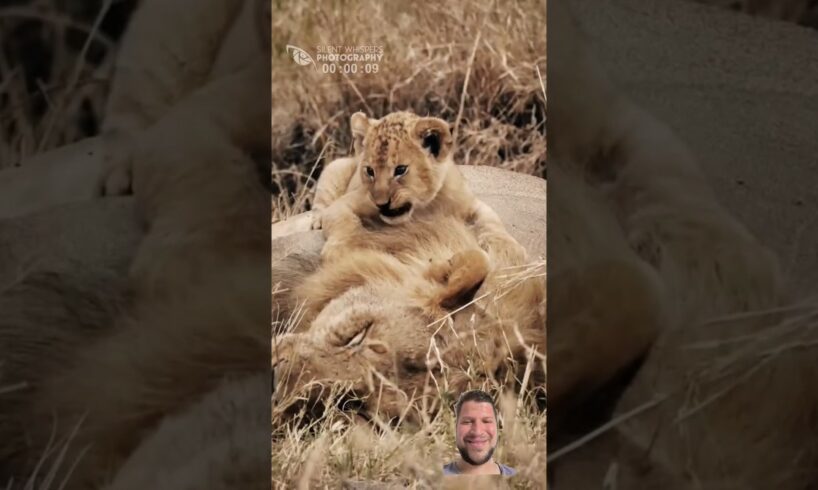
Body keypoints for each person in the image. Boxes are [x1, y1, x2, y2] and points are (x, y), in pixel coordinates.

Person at [442, 389, 517, 476]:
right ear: (455, 427)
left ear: (498, 427)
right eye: (467, 422)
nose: (477, 431)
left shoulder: (522, 482)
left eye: (486, 421)